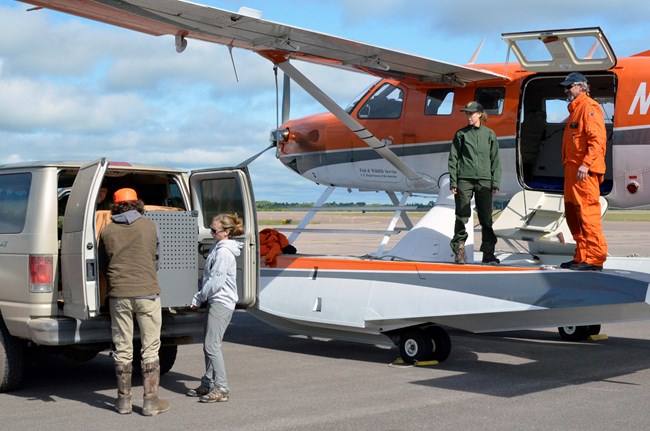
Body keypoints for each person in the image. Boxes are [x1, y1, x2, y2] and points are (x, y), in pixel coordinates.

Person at [98, 187, 169, 416]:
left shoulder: (107, 231)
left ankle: (123, 401)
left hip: (118, 295)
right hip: (147, 293)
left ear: (115, 205)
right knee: (150, 348)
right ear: (138, 203)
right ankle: (150, 402)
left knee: (122, 348)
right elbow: (157, 259)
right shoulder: (150, 226)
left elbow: (102, 265)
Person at [187, 213, 244, 403]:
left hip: (221, 301)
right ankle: (208, 382)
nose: (211, 232)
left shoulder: (223, 252)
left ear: (226, 232)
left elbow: (216, 281)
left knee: (212, 346)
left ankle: (222, 387)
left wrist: (198, 297)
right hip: (215, 300)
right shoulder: (218, 247)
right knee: (209, 345)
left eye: (214, 230)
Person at [559, 72, 608, 271]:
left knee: (587, 213)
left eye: (569, 86)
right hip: (572, 170)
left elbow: (597, 141)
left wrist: (586, 164)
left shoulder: (589, 107)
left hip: (584, 172)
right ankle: (581, 256)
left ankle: (595, 259)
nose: (566, 90)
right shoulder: (575, 110)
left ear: (581, 86)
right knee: (573, 213)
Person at [448, 101, 502, 265]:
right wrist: (453, 181)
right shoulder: (461, 134)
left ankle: (488, 253)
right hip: (464, 179)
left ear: (479, 114)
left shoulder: (489, 134)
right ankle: (459, 250)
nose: (468, 116)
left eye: (471, 113)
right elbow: (453, 158)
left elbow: (495, 160)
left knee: (486, 218)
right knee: (462, 215)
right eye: (467, 113)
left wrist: (495, 181)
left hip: (485, 181)